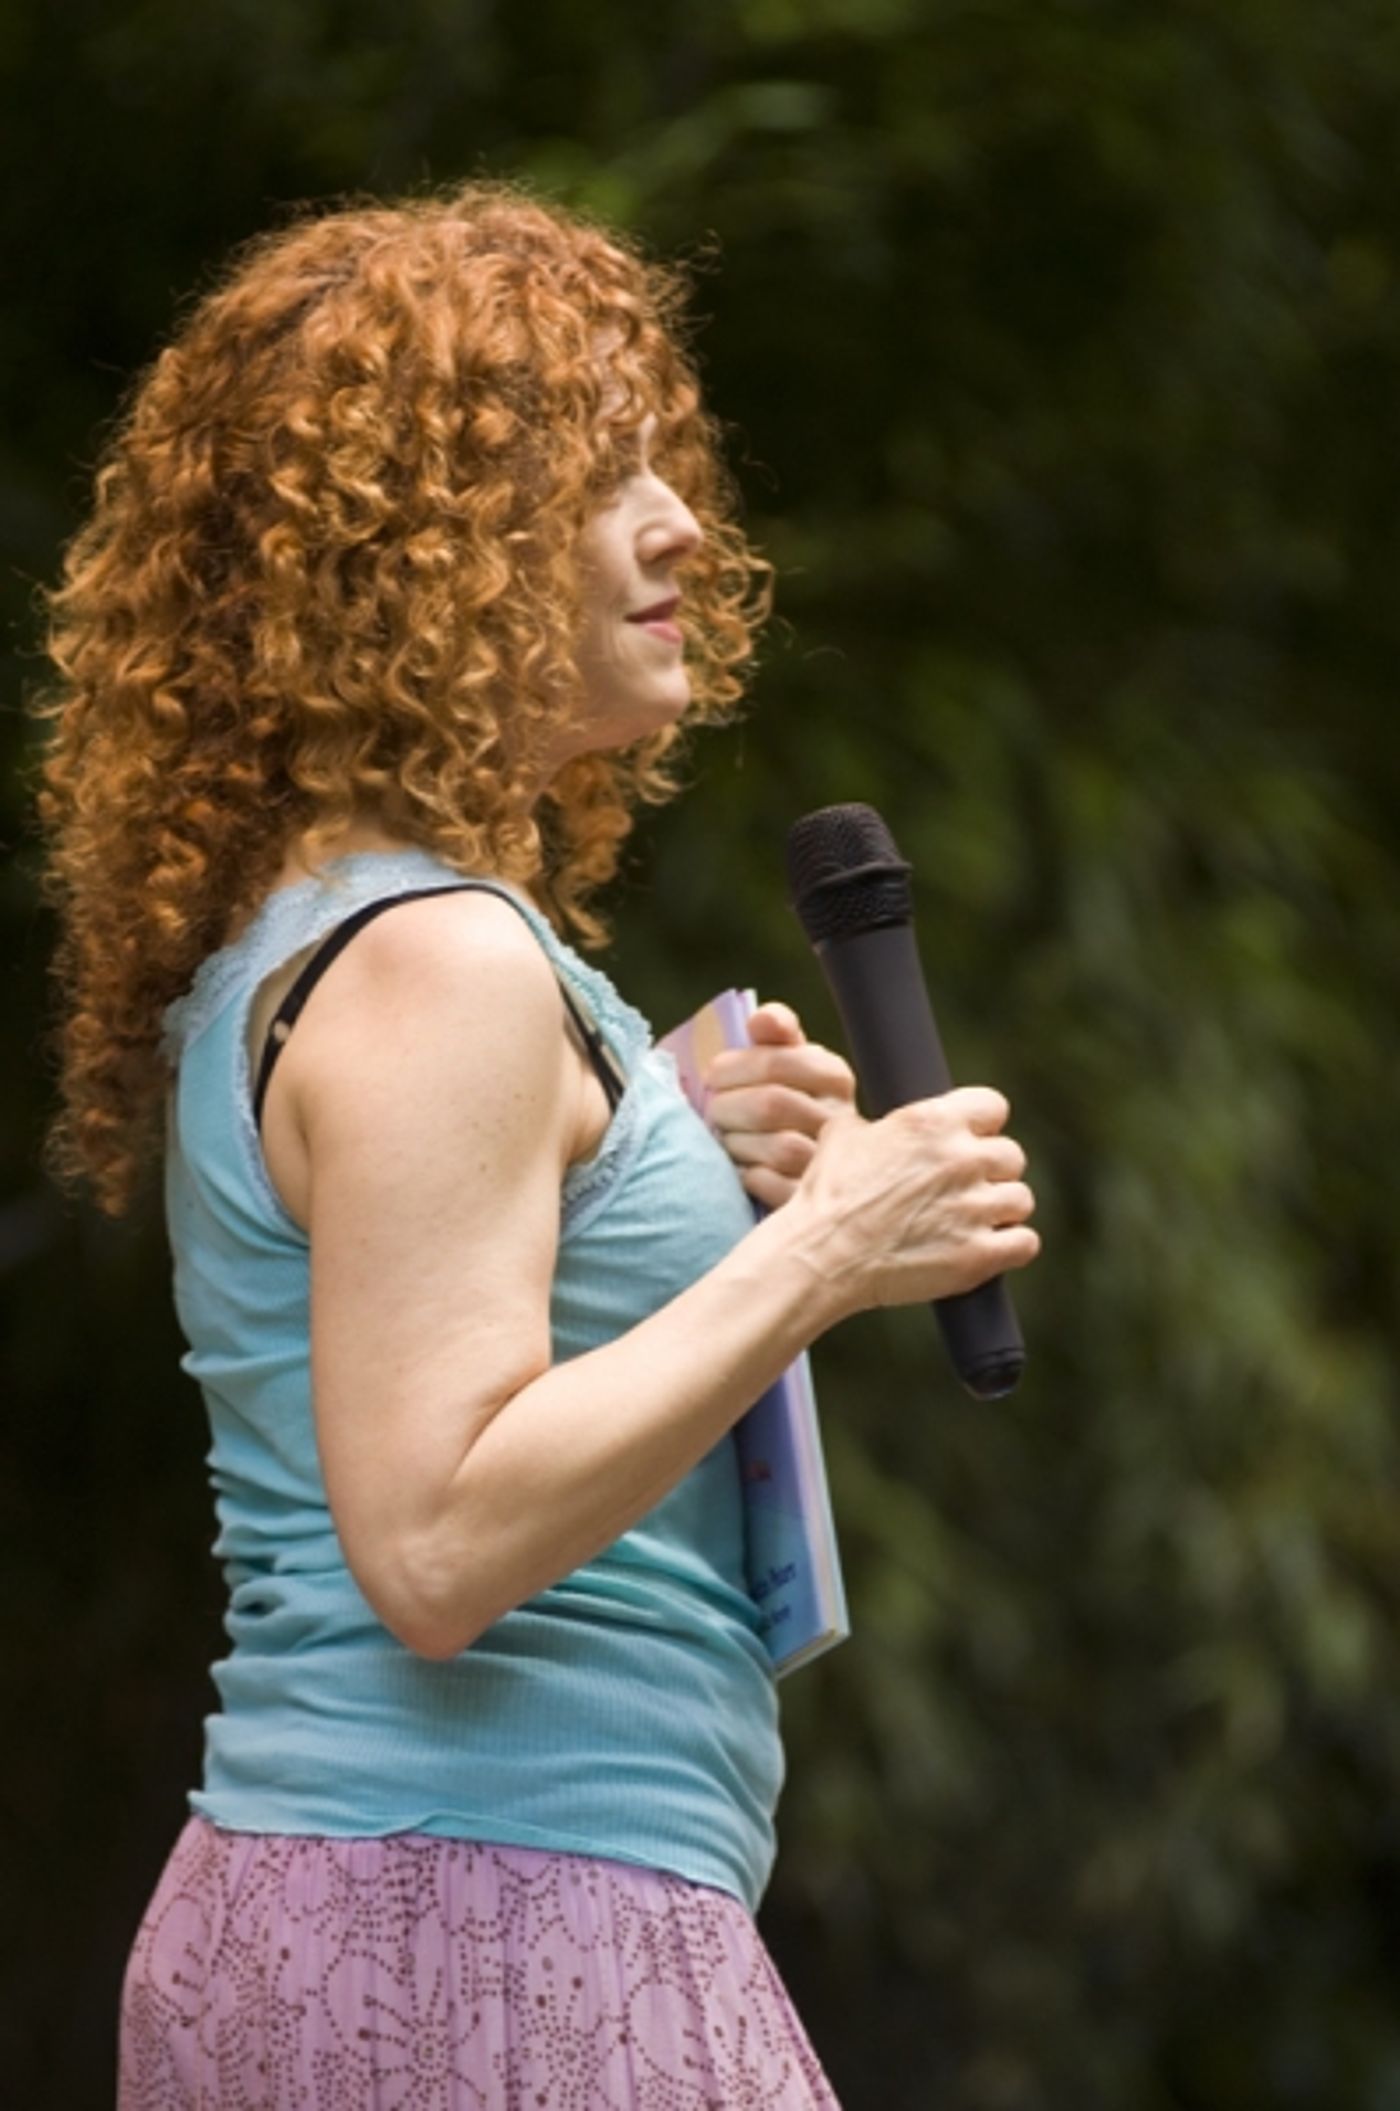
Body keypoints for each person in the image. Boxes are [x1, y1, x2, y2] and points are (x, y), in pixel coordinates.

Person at [29, 179, 1040, 2109]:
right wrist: (825, 1242)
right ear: (412, 562)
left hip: (440, 1916)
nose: (682, 524)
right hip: (478, 1930)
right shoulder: (435, 964)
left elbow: (453, 1291)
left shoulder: (369, 940)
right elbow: (433, 1542)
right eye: (593, 480)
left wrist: (652, 1129)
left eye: (666, 463)